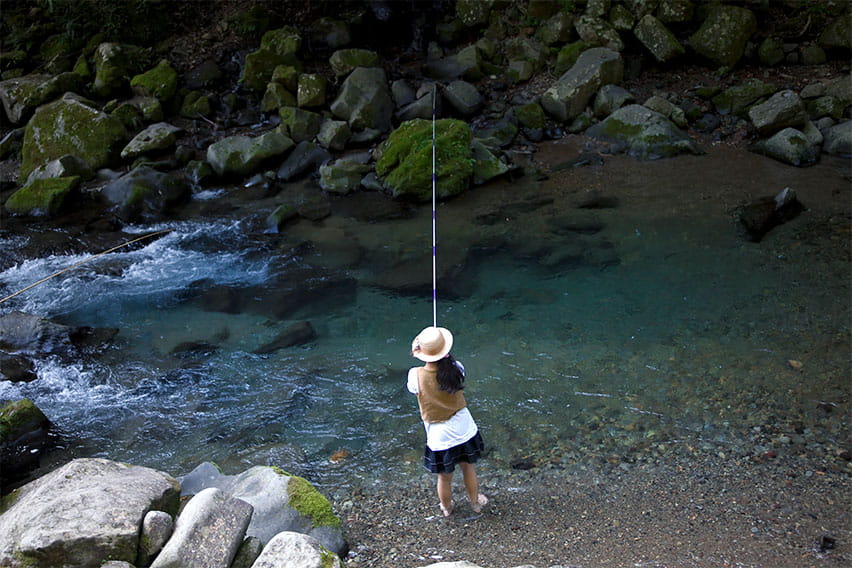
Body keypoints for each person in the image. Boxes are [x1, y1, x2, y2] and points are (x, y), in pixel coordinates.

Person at [407, 326, 488, 517]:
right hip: (464, 428)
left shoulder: (414, 375)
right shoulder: (457, 368)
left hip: (440, 437)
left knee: (444, 477)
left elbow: (414, 390)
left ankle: (446, 508)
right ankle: (475, 503)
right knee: (468, 467)